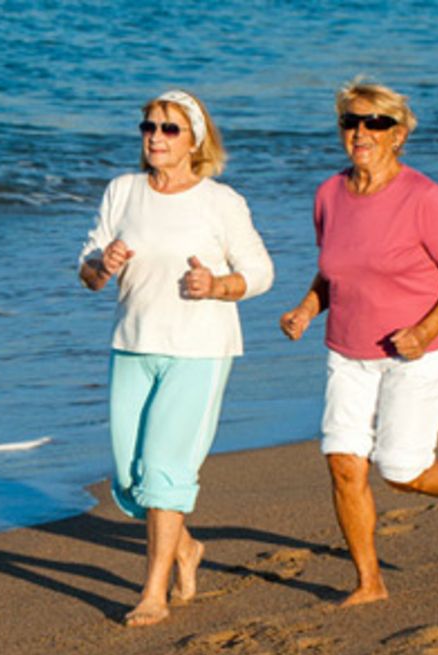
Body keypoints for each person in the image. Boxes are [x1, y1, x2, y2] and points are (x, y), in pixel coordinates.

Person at [279, 80, 438, 607]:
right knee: (343, 462)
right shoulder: (328, 194)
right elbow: (336, 271)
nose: (361, 132)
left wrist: (422, 331)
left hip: (418, 352)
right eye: (351, 121)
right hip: (347, 351)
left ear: (398, 134)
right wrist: (307, 307)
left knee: (402, 470)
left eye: (375, 123)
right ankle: (369, 582)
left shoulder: (424, 198)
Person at [78, 89, 274, 626]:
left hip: (200, 349)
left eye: (169, 128)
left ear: (195, 139)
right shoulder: (123, 192)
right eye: (148, 127)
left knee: (165, 470)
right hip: (133, 343)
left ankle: (153, 593)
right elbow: (89, 272)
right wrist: (103, 264)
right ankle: (186, 547)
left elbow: (260, 273)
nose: (155, 137)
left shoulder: (220, 202)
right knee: (128, 480)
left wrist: (215, 285)